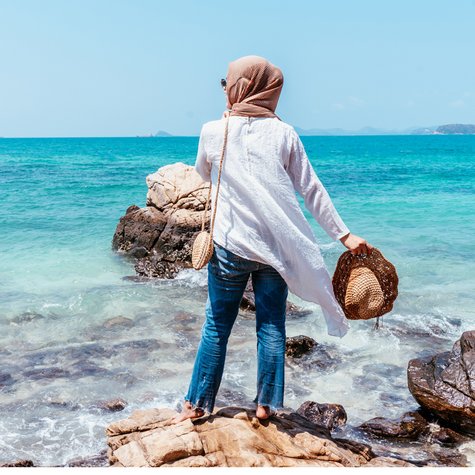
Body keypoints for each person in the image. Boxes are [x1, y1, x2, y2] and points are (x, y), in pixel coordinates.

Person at [171, 55, 373, 424]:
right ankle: (266, 405)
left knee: (217, 325)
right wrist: (343, 235)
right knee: (271, 325)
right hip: (277, 249)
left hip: (231, 246)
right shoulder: (284, 134)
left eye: (227, 83)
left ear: (240, 86)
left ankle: (197, 404)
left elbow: (203, 172)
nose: (225, 88)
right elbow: (311, 189)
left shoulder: (213, 131)